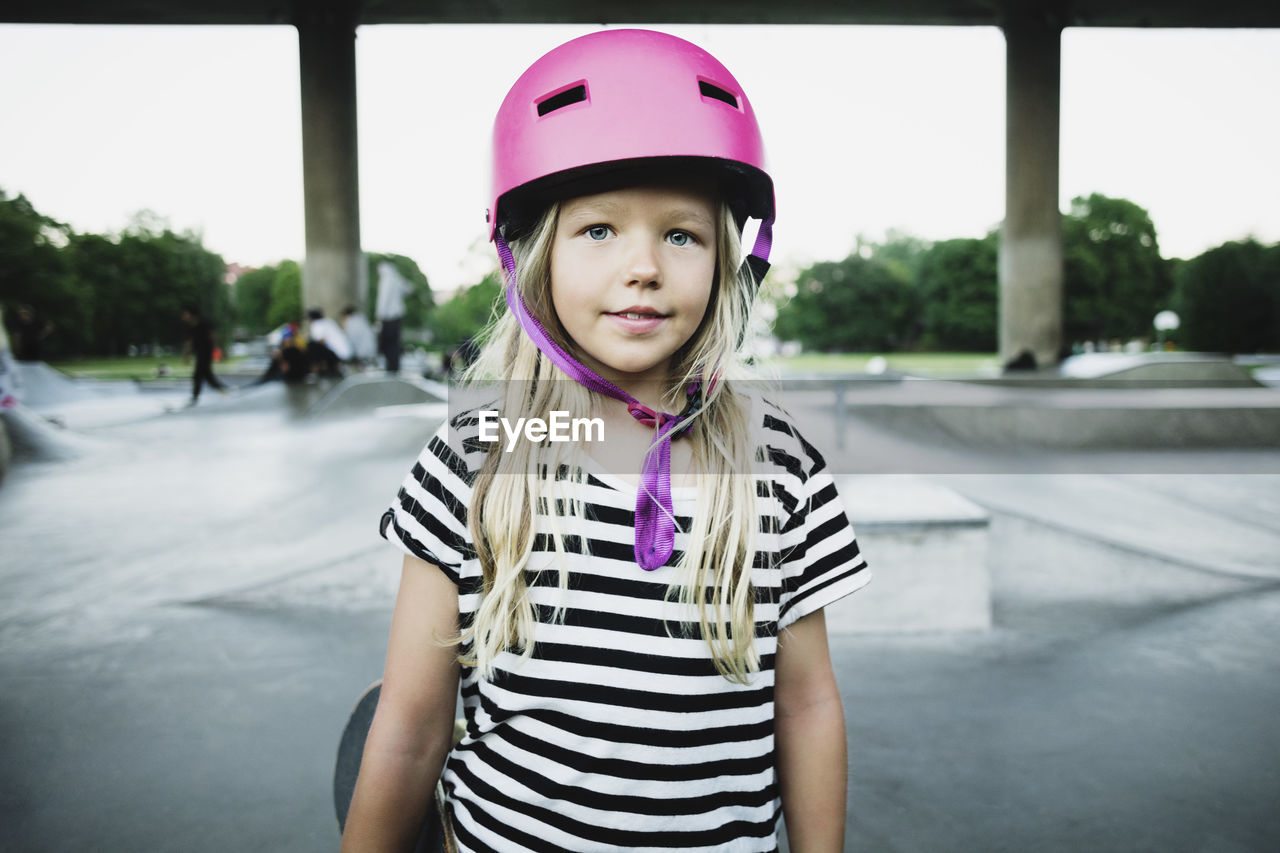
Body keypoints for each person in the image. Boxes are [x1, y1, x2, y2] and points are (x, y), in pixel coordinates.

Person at [342, 30, 871, 853]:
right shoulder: (478, 457)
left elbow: (804, 705)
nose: (644, 266)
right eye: (598, 230)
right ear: (532, 257)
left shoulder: (778, 465)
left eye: (682, 234)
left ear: (734, 260)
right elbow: (412, 726)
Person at [180, 306, 227, 405]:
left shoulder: (204, 323)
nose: (184, 316)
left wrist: (218, 350)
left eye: (185, 314)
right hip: (199, 352)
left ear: (191, 314)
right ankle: (222, 389)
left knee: (198, 374)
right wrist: (186, 355)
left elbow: (212, 336)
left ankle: (195, 397)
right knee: (206, 374)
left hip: (206, 350)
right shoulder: (189, 326)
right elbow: (190, 342)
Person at [375, 261, 412, 374]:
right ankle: (394, 367)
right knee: (395, 344)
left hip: (388, 318)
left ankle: (391, 368)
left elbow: (383, 300)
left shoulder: (387, 280)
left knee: (388, 344)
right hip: (397, 318)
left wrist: (379, 317)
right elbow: (409, 288)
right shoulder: (396, 278)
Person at [306, 307, 352, 378]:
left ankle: (318, 370)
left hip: (338, 355)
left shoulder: (316, 324)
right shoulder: (328, 321)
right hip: (347, 352)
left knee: (312, 345)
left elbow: (320, 341)